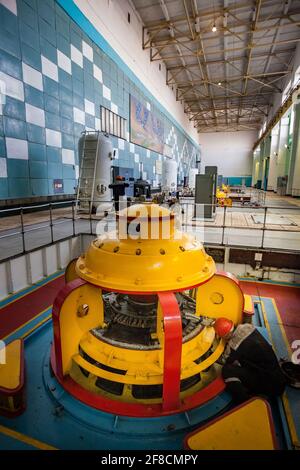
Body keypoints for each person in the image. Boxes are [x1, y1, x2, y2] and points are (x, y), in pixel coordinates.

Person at [213, 317, 287, 404]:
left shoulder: (234, 345)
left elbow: (224, 360)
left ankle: (245, 400)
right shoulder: (248, 327)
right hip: (279, 379)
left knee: (227, 370)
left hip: (270, 387)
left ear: (224, 336)